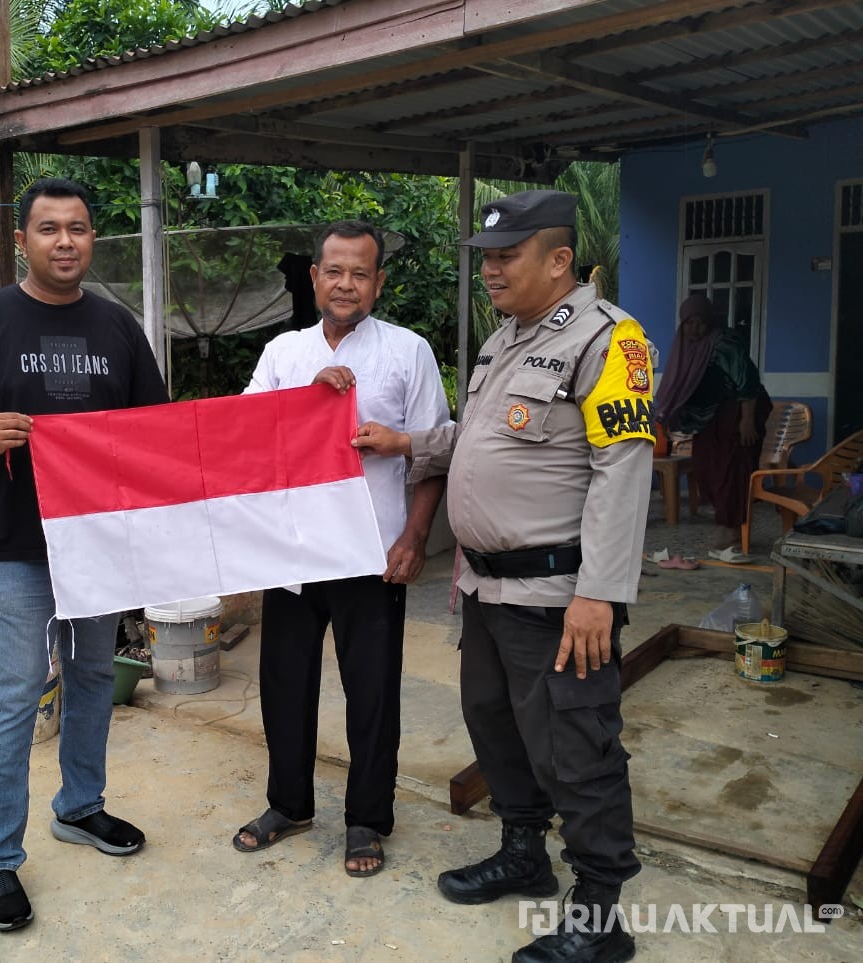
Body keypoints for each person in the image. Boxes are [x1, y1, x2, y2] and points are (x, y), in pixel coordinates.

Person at [355, 190, 652, 962]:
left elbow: (622, 470)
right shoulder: (505, 341)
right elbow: (476, 439)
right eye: (485, 256)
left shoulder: (610, 341)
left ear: (558, 261)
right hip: (485, 589)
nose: (490, 269)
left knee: (577, 744)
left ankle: (599, 915)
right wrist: (406, 440)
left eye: (506, 255)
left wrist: (601, 593)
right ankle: (526, 853)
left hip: (559, 595)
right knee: (496, 725)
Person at [0, 177, 168, 932]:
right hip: (18, 546)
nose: (66, 240)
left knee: (95, 673)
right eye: (49, 228)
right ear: (23, 239)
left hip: (99, 544)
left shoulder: (118, 327)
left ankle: (80, 806)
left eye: (79, 227)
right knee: (12, 692)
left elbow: (156, 431)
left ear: (94, 238)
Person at [232, 220, 448, 878]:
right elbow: (245, 435)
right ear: (314, 277)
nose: (346, 283)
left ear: (379, 282)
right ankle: (289, 803)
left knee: (373, 690)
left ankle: (366, 818)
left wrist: (414, 536)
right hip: (294, 553)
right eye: (335, 270)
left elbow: (434, 453)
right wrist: (304, 402)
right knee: (284, 683)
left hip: (372, 552)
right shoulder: (283, 354)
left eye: (361, 272)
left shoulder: (408, 353)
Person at [654, 293, 771, 557]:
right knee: (705, 467)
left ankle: (731, 530)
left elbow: (747, 382)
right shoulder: (685, 347)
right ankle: (723, 523)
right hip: (712, 417)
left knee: (732, 470)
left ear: (710, 322)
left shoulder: (724, 343)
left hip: (738, 413)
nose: (695, 329)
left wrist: (747, 420)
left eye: (700, 323)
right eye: (689, 323)